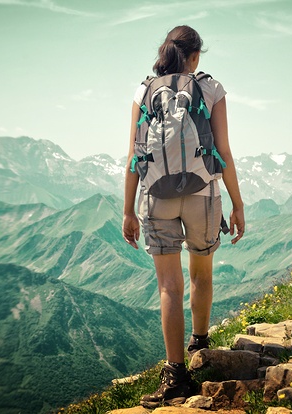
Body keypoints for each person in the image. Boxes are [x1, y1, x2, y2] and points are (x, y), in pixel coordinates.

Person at [122, 25, 245, 408]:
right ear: (194, 57)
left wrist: (127, 210)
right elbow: (223, 151)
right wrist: (237, 204)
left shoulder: (143, 91)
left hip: (155, 196)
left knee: (169, 288)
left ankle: (176, 376)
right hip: (202, 194)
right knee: (201, 274)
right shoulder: (210, 89)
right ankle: (201, 342)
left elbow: (133, 156)